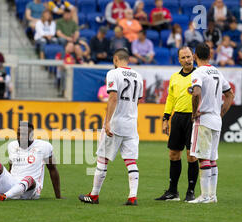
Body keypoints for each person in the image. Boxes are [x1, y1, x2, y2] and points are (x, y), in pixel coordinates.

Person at [79, 48, 143, 206]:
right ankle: (132, 197)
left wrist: (107, 121)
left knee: (102, 159)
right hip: (131, 124)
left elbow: (113, 97)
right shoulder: (139, 76)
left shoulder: (113, 73)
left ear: (115, 59)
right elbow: (138, 100)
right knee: (131, 161)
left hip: (116, 123)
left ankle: (94, 195)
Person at [188, 43, 234, 203]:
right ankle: (212, 195)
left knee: (203, 158)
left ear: (195, 56)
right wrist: (220, 113)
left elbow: (196, 93)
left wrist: (194, 113)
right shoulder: (217, 72)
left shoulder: (198, 72)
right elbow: (230, 94)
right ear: (210, 55)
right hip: (216, 120)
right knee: (212, 158)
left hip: (204, 119)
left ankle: (205, 195)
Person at [0, 122, 62, 201]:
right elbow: (11, 169)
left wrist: (58, 196)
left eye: (24, 135)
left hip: (31, 191)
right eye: (19, 134)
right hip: (13, 184)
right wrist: (4, 181)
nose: (20, 137)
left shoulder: (45, 146)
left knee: (29, 178)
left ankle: (5, 196)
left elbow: (52, 169)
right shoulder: (12, 145)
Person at [155, 46, 198, 202]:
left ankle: (191, 192)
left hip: (193, 119)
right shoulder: (174, 77)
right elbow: (170, 99)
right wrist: (166, 119)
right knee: (173, 154)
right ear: (179, 60)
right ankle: (173, 192)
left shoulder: (199, 75)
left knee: (191, 156)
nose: (187, 60)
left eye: (189, 57)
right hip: (178, 118)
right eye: (183, 58)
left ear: (193, 57)